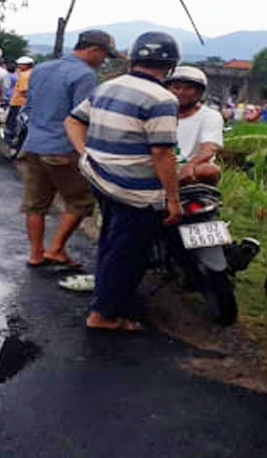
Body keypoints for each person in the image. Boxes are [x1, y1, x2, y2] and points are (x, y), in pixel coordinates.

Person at [64, 31, 182, 332]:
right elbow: (162, 152)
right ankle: (104, 315)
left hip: (101, 179)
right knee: (127, 254)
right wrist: (173, 199)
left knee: (111, 242)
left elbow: (73, 120)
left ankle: (106, 301)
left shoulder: (108, 86)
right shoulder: (164, 99)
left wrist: (85, 154)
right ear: (170, 65)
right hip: (136, 192)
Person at [19, 30, 116, 269]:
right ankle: (56, 249)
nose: (103, 61)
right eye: (103, 56)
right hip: (64, 148)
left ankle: (35, 254)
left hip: (33, 144)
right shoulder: (85, 75)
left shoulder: (41, 69)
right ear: (93, 50)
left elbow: (29, 106)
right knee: (80, 202)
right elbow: (82, 116)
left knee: (35, 203)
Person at [166, 66, 223, 186]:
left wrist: (189, 166)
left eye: (188, 88)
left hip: (192, 169)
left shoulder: (210, 116)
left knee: (210, 170)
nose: (181, 92)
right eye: (176, 87)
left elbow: (209, 148)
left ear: (199, 92)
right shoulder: (159, 113)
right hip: (161, 166)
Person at [4, 56, 34, 142]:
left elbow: (24, 90)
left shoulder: (24, 75)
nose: (18, 66)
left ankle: (9, 138)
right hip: (23, 102)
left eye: (20, 65)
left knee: (12, 121)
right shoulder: (31, 73)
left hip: (18, 102)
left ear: (26, 65)